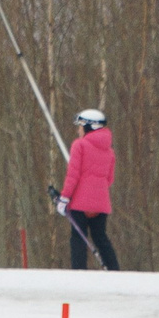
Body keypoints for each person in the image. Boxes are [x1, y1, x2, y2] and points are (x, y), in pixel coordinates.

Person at [55, 109, 121, 271]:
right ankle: (115, 271)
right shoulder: (110, 151)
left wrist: (64, 198)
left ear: (89, 127)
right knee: (100, 238)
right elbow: (109, 180)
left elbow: (73, 176)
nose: (78, 130)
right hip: (101, 204)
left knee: (78, 238)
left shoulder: (80, 145)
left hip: (80, 203)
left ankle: (79, 273)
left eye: (80, 126)